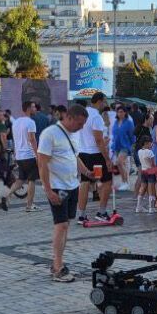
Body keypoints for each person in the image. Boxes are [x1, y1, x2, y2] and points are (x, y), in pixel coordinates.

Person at [36, 104, 94, 283]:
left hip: (72, 185)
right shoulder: (50, 133)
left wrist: (87, 173)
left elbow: (75, 157)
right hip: (57, 187)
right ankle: (57, 266)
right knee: (60, 225)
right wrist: (47, 189)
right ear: (69, 117)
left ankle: (58, 262)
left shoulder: (73, 135)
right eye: (79, 123)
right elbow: (42, 163)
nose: (81, 127)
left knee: (66, 225)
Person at [76, 92, 112, 222]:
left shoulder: (84, 113)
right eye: (105, 101)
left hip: (83, 153)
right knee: (106, 181)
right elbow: (98, 140)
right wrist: (107, 159)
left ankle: (82, 215)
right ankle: (101, 212)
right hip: (95, 155)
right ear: (100, 101)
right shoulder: (96, 117)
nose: (106, 104)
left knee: (85, 182)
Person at [8, 101, 40, 211]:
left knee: (21, 179)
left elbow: (16, 139)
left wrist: (16, 154)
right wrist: (37, 155)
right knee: (32, 180)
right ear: (28, 109)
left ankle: (7, 195)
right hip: (29, 155)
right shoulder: (30, 122)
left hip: (20, 156)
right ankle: (29, 205)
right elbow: (32, 139)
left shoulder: (16, 122)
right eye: (33, 107)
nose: (35, 108)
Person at [111, 105, 135, 193]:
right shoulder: (116, 122)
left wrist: (132, 145)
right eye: (119, 112)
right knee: (121, 164)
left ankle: (126, 182)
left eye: (122, 111)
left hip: (125, 145)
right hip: (116, 145)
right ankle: (125, 182)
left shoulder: (129, 122)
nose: (120, 113)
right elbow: (114, 133)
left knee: (119, 162)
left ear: (125, 112)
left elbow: (132, 135)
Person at [135, 133, 157, 213]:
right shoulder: (150, 152)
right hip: (150, 171)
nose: (151, 144)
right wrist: (156, 173)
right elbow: (153, 164)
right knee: (151, 189)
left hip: (143, 171)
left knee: (142, 188)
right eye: (150, 143)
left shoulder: (139, 151)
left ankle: (138, 207)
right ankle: (151, 208)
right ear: (146, 143)